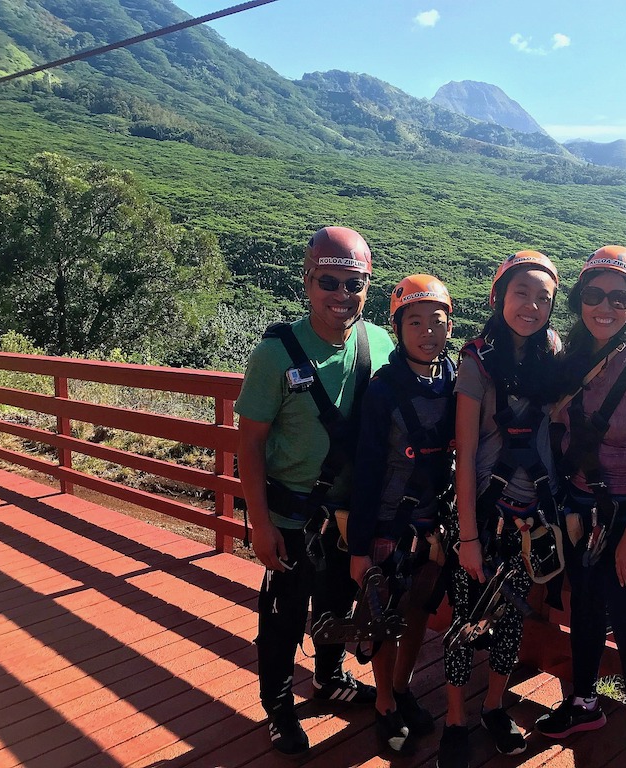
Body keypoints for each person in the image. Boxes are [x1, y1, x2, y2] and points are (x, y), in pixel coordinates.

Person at [235, 226, 395, 755]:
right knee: (283, 614)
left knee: (339, 603)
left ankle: (328, 678)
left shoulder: (379, 343)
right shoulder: (276, 353)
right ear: (307, 282)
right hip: (291, 512)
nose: (341, 295)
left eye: (355, 284)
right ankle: (279, 706)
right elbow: (251, 443)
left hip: (352, 513)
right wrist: (259, 523)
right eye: (329, 281)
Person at [535, 246, 626, 768]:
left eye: (619, 298)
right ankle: (584, 704)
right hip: (579, 506)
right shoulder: (572, 357)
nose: (606, 307)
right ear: (579, 299)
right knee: (586, 611)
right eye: (594, 295)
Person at [438, 251, 563, 768]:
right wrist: (467, 536)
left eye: (543, 298)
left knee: (510, 617)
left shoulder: (554, 354)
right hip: (482, 511)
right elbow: (465, 454)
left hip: (529, 517)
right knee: (465, 619)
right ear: (498, 297)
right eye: (521, 294)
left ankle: (493, 706)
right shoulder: (476, 360)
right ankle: (453, 720)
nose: (531, 306)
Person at [347, 274, 458, 753]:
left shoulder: (453, 377)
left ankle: (403, 686)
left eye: (438, 321)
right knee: (385, 614)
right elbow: (367, 469)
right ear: (398, 328)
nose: (428, 331)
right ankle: (384, 705)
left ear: (450, 327)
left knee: (416, 612)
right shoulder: (383, 390)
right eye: (415, 322)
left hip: (432, 522)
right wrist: (359, 549)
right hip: (390, 521)